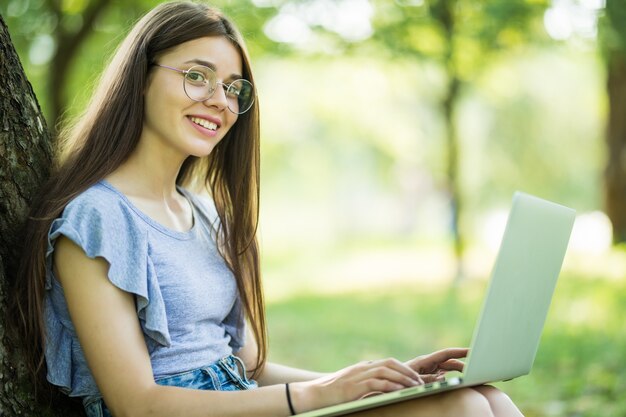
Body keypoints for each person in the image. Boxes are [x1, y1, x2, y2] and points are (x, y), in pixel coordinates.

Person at [9, 2, 524, 416]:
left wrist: (383, 380)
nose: (220, 100)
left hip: (244, 404)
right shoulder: (98, 218)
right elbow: (136, 404)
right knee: (461, 408)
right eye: (197, 76)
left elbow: (249, 367)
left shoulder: (209, 215)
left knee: (484, 399)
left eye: (234, 89)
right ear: (141, 78)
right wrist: (317, 396)